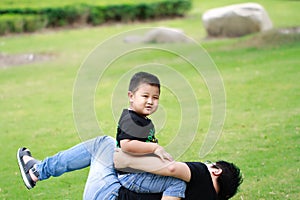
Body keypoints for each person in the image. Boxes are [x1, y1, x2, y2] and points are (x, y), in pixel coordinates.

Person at [17, 135, 242, 200]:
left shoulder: (201, 174)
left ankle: (36, 171)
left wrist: (125, 160)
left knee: (103, 143)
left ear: (216, 170)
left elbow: (173, 170)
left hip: (106, 195)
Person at [115, 72, 185, 199]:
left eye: (155, 97)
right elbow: (126, 145)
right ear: (131, 96)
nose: (150, 101)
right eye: (145, 96)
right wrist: (154, 148)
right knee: (177, 184)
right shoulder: (131, 119)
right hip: (132, 176)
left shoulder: (141, 119)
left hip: (139, 171)